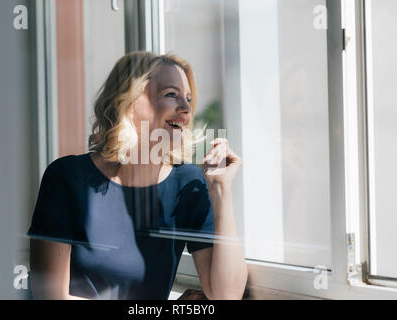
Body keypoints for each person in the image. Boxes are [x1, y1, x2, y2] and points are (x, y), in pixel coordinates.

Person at [27, 51, 248, 300]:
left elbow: (227, 296)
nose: (186, 108)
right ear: (130, 102)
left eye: (187, 99)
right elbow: (50, 297)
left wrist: (221, 190)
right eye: (171, 95)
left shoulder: (189, 183)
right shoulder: (67, 177)